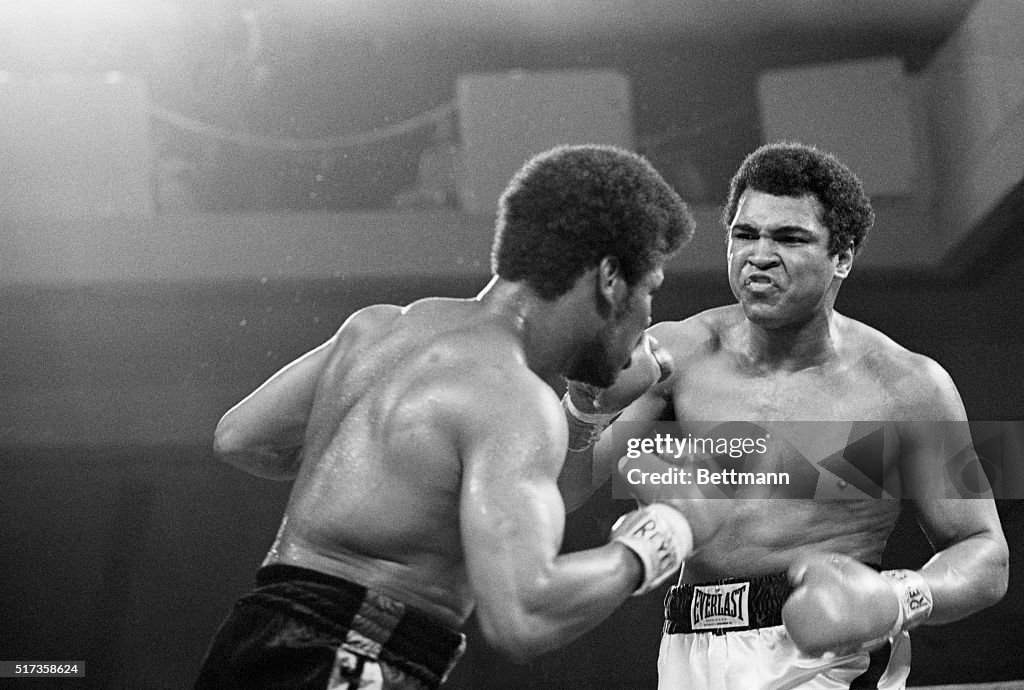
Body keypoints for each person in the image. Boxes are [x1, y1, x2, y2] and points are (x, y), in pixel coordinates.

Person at [194, 144, 698, 689]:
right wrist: (655, 541)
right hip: (353, 658)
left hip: (250, 640)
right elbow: (524, 618)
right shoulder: (514, 400)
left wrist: (386, 478)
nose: (650, 317)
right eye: (651, 291)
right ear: (609, 278)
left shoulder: (379, 329)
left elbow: (240, 437)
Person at [559, 142, 1009, 689]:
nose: (760, 256)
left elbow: (985, 555)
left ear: (842, 256)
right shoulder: (676, 354)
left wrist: (898, 597)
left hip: (823, 655)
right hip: (687, 642)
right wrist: (583, 410)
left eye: (790, 238)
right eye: (745, 235)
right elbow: (560, 492)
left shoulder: (905, 388)